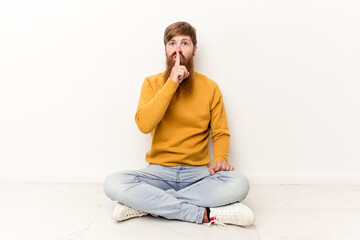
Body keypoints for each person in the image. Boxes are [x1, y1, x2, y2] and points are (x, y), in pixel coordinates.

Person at [103, 21, 255, 227]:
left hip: (198, 174)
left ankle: (146, 205)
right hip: (158, 171)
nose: (178, 49)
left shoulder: (210, 87)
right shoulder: (152, 83)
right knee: (113, 183)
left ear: (194, 49)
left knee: (239, 184)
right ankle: (204, 214)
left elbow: (220, 133)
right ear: (165, 49)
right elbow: (144, 124)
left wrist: (220, 158)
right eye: (172, 43)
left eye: (185, 43)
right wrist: (171, 83)